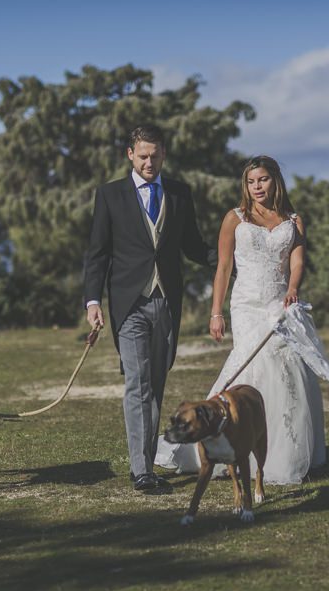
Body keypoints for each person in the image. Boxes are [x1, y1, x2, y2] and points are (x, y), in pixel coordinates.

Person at [155, 155, 329, 485]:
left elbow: (297, 262)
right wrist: (217, 312)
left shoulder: (293, 219)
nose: (257, 187)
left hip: (279, 303)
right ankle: (223, 443)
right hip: (245, 304)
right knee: (249, 367)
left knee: (288, 369)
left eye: (263, 180)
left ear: (275, 181)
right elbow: (224, 268)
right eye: (251, 181)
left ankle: (285, 453)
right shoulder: (235, 218)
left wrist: (293, 289)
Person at [83, 124, 217, 493]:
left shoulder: (179, 193)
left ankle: (146, 460)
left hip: (167, 302)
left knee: (156, 384)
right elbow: (97, 253)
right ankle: (141, 469)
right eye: (142, 156)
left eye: (155, 156)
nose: (149, 163)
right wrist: (93, 301)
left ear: (164, 154)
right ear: (130, 154)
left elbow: (192, 245)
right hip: (129, 304)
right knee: (138, 384)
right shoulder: (110, 195)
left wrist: (231, 258)